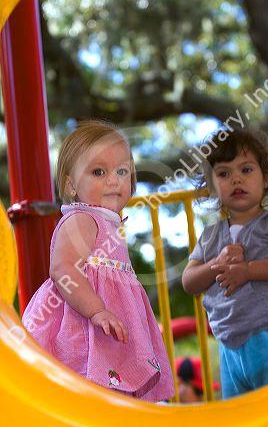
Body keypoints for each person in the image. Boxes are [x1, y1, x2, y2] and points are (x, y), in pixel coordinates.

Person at [22, 120, 174, 402]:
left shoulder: (109, 225)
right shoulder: (83, 218)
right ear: (71, 184)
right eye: (98, 171)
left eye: (122, 171)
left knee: (113, 396)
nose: (113, 180)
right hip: (85, 327)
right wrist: (96, 311)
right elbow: (63, 269)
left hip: (108, 333)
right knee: (91, 393)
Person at [182, 128, 268, 399]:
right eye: (224, 173)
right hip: (229, 347)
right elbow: (189, 281)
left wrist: (248, 271)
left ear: (265, 178)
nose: (236, 179)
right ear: (213, 185)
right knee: (240, 415)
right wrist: (215, 263)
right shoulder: (209, 236)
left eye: (246, 170)